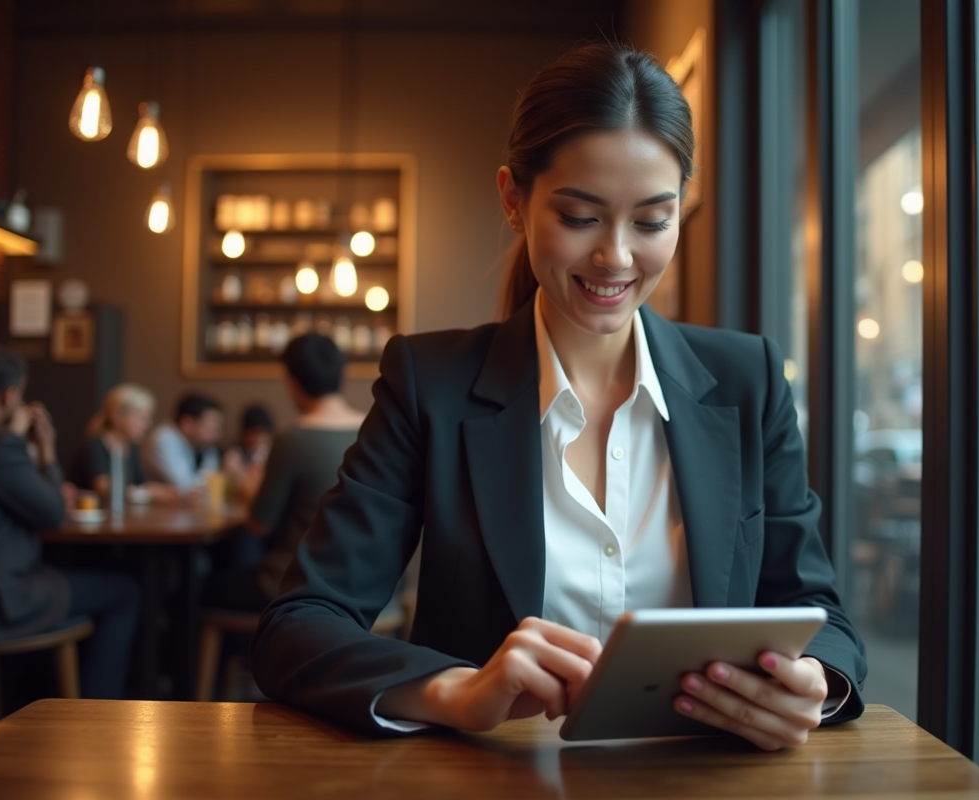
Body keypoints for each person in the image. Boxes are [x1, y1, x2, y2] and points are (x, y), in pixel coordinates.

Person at [251, 43, 866, 750]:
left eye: (651, 221)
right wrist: (458, 689)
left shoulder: (746, 378)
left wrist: (814, 684)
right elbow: (298, 628)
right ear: (514, 199)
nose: (616, 257)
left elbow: (822, 616)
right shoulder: (432, 385)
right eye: (580, 217)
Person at [0, 347, 139, 699]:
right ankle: (97, 713)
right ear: (9, 394)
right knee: (125, 591)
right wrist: (46, 450)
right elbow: (51, 512)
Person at [204, 334, 364, 612]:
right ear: (343, 376)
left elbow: (258, 524)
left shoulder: (293, 438)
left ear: (292, 384)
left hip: (302, 586)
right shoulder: (373, 430)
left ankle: (249, 654)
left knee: (200, 589)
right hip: (366, 587)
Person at [70, 383, 179, 504]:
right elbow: (106, 490)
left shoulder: (128, 448)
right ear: (117, 416)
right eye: (141, 417)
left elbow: (141, 483)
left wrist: (171, 492)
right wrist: (148, 493)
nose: (147, 424)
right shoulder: (94, 445)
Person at [142, 392, 224, 494]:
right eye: (211, 427)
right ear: (187, 423)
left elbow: (212, 483)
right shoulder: (164, 438)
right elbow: (185, 486)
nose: (217, 434)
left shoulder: (205, 446)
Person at [220, 403, 274, 500]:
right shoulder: (233, 454)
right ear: (245, 432)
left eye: (264, 433)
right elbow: (241, 487)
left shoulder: (271, 454)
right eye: (256, 433)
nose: (260, 438)